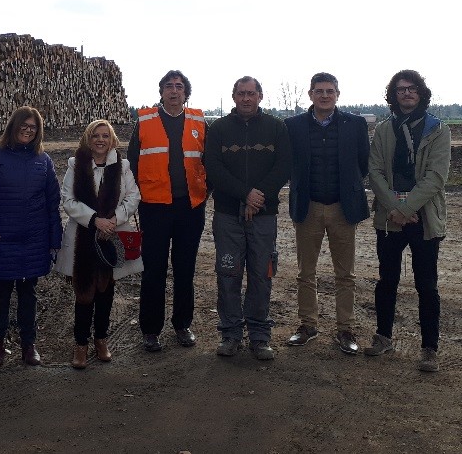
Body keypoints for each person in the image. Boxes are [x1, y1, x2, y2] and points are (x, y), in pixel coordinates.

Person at [365, 70, 450, 373]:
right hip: (389, 218)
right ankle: (383, 336)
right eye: (400, 89)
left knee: (426, 285)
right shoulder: (384, 131)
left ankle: (429, 349)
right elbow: (374, 172)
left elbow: (436, 177)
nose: (407, 93)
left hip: (424, 217)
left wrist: (408, 207)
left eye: (412, 88)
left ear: (421, 93)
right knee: (387, 280)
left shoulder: (438, 130)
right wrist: (395, 208)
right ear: (393, 94)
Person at [204, 76, 290, 360]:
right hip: (228, 215)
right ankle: (230, 333)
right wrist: (244, 194)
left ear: (260, 97)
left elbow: (284, 166)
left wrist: (259, 195)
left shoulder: (276, 128)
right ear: (233, 96)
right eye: (241, 93)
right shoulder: (218, 129)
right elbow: (213, 168)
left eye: (251, 93)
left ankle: (259, 335)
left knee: (261, 275)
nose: (246, 98)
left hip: (264, 217)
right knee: (228, 274)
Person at [285, 73, 370, 355]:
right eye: (319, 91)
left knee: (345, 274)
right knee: (305, 273)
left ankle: (345, 329)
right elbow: (289, 164)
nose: (324, 95)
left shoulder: (355, 125)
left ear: (338, 94)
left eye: (329, 91)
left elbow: (363, 163)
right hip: (308, 208)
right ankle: (307, 325)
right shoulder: (293, 126)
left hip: (342, 209)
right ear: (310, 94)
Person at [0, 106, 62, 368]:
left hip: (33, 240)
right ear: (13, 126)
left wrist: (54, 239)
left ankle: (28, 345)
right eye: (24, 125)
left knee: (28, 294)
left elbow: (52, 202)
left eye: (33, 127)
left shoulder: (43, 161)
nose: (28, 129)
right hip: (1, 239)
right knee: (0, 292)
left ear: (38, 131)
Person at [127, 69, 207, 352]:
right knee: (154, 270)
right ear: (161, 91)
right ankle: (151, 330)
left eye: (180, 86)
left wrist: (203, 194)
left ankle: (182, 325)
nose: (174, 91)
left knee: (185, 269)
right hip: (155, 208)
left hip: (189, 208)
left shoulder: (199, 121)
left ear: (186, 93)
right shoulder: (146, 121)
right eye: (169, 86)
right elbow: (132, 161)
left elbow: (208, 162)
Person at [56, 120, 142, 369]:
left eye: (105, 136)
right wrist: (95, 220)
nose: (101, 140)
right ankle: (80, 344)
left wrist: (114, 220)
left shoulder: (122, 166)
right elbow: (68, 200)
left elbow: (133, 196)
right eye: (96, 136)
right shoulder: (76, 164)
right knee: (84, 293)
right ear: (88, 139)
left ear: (112, 139)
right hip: (84, 236)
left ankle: (101, 339)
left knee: (106, 290)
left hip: (112, 235)